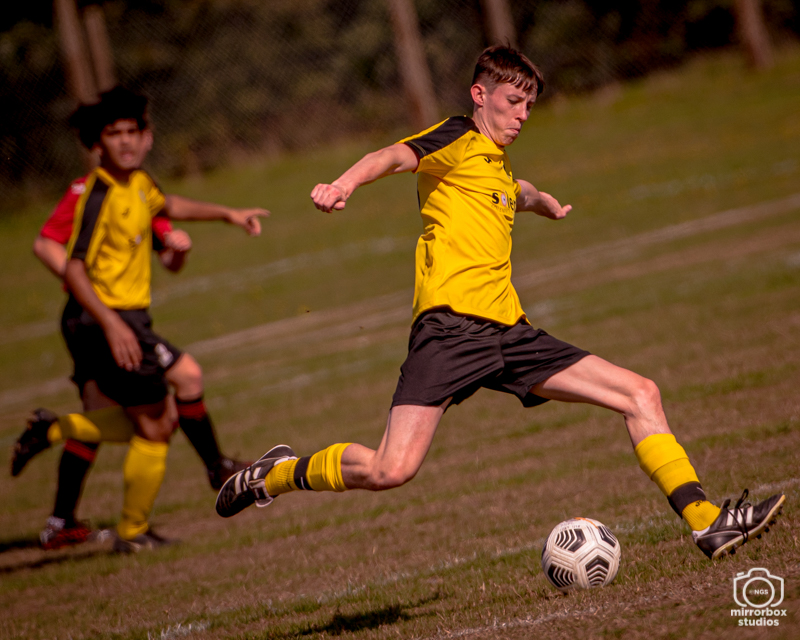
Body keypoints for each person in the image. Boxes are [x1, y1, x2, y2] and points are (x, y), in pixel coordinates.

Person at [215, 46, 785, 561]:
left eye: (529, 106)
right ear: (479, 95)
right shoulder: (456, 138)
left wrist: (544, 201)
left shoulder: (498, 164)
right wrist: (343, 184)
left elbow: (516, 192)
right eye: (513, 102)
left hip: (511, 332)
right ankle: (276, 474)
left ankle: (706, 522)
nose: (522, 116)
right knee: (391, 469)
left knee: (640, 393)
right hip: (450, 331)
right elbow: (390, 155)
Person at [12, 86, 266, 552]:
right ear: (97, 142)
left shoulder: (140, 183)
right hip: (104, 320)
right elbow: (70, 265)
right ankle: (133, 526)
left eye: (133, 131)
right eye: (115, 133)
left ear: (146, 137)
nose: (126, 141)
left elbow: (169, 206)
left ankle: (59, 440)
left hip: (120, 318)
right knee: (157, 422)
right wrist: (112, 324)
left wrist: (228, 215)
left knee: (163, 404)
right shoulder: (96, 195)